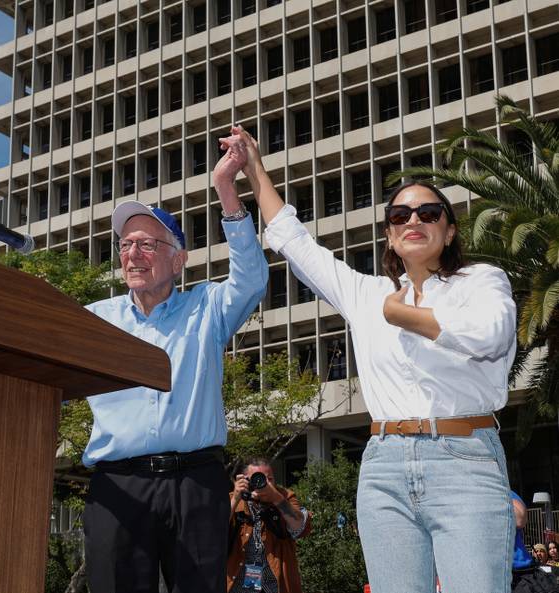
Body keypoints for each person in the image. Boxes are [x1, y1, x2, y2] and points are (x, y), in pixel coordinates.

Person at [231, 124, 517, 593]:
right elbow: (294, 243)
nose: (413, 220)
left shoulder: (481, 280)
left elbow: (491, 335)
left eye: (429, 212)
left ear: (448, 229)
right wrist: (255, 168)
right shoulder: (366, 293)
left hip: (465, 460)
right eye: (400, 214)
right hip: (383, 464)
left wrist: (405, 314)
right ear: (389, 235)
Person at [82, 135, 268, 593]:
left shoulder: (207, 307)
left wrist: (226, 186)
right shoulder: (93, 320)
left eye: (147, 244)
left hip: (195, 483)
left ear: (178, 259)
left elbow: (253, 278)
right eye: (126, 245)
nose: (133, 254)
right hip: (117, 486)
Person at [227, 458, 311, 593]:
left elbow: (299, 526)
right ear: (244, 481)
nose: (264, 483)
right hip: (239, 581)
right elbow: (213, 534)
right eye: (255, 478)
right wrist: (236, 498)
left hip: (276, 583)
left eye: (269, 479)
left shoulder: (284, 496)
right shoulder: (233, 498)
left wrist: (276, 498)